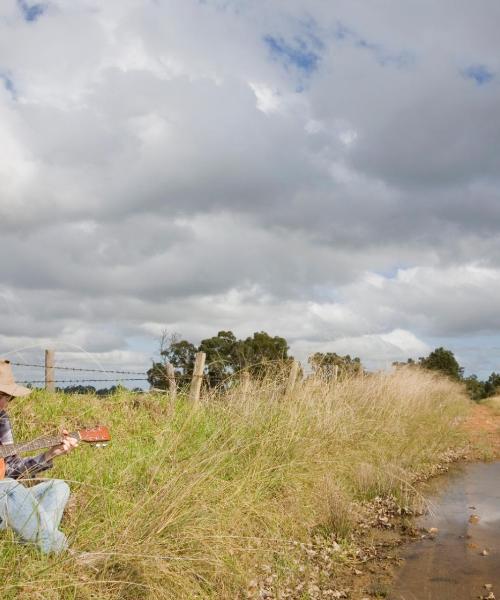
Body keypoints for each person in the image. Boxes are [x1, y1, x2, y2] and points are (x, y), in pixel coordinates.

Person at [0, 359, 78, 554]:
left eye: (7, 397)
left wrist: (49, 454)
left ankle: (34, 544)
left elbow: (12, 468)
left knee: (58, 487)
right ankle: (62, 551)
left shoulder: (1, 421)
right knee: (8, 487)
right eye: (0, 395)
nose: (4, 404)